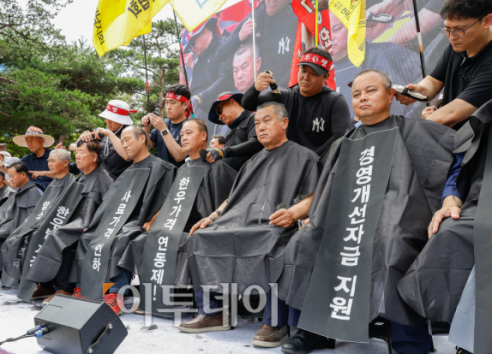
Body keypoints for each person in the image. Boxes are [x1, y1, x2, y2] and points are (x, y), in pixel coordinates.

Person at [276, 70, 455, 354]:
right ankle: (313, 331)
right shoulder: (343, 142)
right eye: (356, 94)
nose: (362, 98)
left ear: (390, 95)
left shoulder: (414, 131)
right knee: (305, 243)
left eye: (370, 91)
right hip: (344, 220)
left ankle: (409, 338)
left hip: (396, 220)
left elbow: (447, 162)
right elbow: (326, 192)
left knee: (394, 243)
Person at [178, 102, 319, 338]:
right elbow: (233, 198)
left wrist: (294, 214)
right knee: (201, 236)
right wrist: (211, 217)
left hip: (276, 224)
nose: (261, 127)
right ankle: (214, 312)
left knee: (277, 243)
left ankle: (275, 322)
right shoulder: (252, 162)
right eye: (256, 123)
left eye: (267, 120)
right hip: (240, 221)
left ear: (284, 123)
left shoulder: (305, 156)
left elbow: (315, 195)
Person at [396, 99, 492, 354]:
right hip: (479, 203)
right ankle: (465, 337)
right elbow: (458, 174)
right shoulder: (482, 120)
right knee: (448, 233)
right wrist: (449, 203)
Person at [116, 119, 238, 314]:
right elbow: (171, 199)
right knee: (140, 239)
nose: (183, 137)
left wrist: (212, 220)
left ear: (203, 136)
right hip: (176, 223)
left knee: (183, 240)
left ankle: (181, 299)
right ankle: (143, 296)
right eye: (182, 134)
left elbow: (231, 200)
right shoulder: (183, 169)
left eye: (189, 133)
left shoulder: (217, 166)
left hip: (201, 226)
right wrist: (154, 219)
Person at [75, 125, 177, 314]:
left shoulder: (162, 167)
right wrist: (96, 223)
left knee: (121, 237)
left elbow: (170, 198)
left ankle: (116, 294)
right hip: (119, 219)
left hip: (140, 220)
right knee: (89, 237)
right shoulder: (127, 171)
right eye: (121, 141)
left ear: (142, 139)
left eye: (127, 139)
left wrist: (155, 218)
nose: (124, 144)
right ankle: (88, 288)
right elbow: (110, 203)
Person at [21, 141, 114, 303]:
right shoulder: (80, 178)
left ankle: (65, 288)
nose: (77, 156)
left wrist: (90, 225)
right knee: (40, 231)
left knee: (58, 235)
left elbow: (109, 209)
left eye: (82, 153)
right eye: (76, 152)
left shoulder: (104, 179)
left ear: (94, 157)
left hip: (91, 226)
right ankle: (46, 284)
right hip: (73, 221)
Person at [397, 0, 492, 129]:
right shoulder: (459, 46)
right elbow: (434, 81)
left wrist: (422, 125)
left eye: (459, 30)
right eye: (447, 29)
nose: (452, 36)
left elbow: (450, 115)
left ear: (487, 21)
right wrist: (421, 90)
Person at [242, 47, 352, 156]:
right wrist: (255, 88)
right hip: (286, 163)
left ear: (326, 77)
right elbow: (248, 104)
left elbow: (341, 136)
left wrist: (313, 159)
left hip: (321, 166)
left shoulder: (335, 101)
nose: (306, 77)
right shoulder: (285, 96)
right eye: (303, 70)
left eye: (313, 73)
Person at [0, 149, 79, 294]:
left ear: (66, 163)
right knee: (21, 236)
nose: (49, 164)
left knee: (47, 238)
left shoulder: (73, 183)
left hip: (63, 226)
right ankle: (44, 284)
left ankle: (63, 287)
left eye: (53, 160)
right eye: (48, 160)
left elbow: (71, 211)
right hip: (45, 224)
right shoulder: (53, 183)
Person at [329, 11, 422, 118]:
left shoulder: (388, 52)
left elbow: (426, 86)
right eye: (324, 32)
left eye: (336, 29)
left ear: (352, 26)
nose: (330, 37)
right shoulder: (318, 74)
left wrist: (408, 125)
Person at [217, 0, 297, 88]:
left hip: (286, 89)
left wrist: (279, 90)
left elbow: (301, 59)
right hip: (257, 91)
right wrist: (239, 37)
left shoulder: (296, 14)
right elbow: (219, 55)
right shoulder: (256, 16)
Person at [186, 18, 234, 136]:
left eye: (192, 43)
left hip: (220, 116)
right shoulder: (200, 57)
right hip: (201, 116)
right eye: (189, 47)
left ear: (204, 31)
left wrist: (201, 97)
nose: (192, 49)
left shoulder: (224, 45)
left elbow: (226, 79)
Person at [204, 92, 263, 171]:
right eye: (218, 116)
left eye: (219, 110)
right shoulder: (230, 135)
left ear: (232, 102)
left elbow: (256, 143)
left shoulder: (253, 118)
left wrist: (224, 152)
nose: (220, 116)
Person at [78, 100, 135, 179]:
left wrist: (109, 134)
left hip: (124, 182)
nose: (108, 122)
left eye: (112, 119)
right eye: (106, 118)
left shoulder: (132, 133)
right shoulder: (101, 133)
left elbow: (127, 156)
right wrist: (83, 137)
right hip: (103, 182)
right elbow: (74, 147)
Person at [140, 85, 190, 167]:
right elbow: (146, 146)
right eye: (166, 103)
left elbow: (179, 156)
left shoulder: (191, 126)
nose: (168, 107)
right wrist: (146, 127)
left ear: (185, 105)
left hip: (181, 176)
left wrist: (163, 129)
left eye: (172, 103)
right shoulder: (164, 122)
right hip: (161, 175)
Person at [13, 126, 56, 191]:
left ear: (41, 140)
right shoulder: (25, 160)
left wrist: (44, 173)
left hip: (52, 193)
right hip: (31, 194)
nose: (29, 144)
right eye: (27, 141)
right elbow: (14, 170)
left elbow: (63, 175)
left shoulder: (54, 156)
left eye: (31, 140)